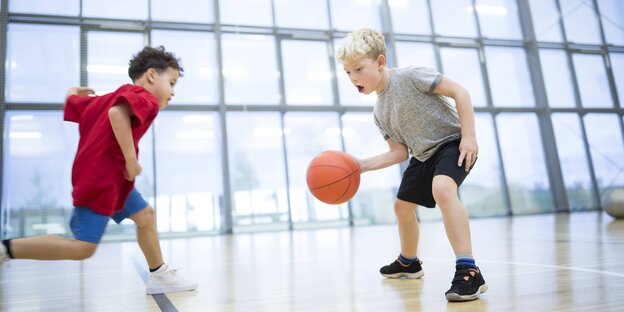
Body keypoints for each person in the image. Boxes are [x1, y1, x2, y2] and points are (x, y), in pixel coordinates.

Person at [0, 46, 198, 295]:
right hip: (103, 180)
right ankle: (6, 249)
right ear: (151, 75)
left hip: (113, 181)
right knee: (83, 247)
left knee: (145, 216)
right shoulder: (145, 99)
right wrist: (130, 160)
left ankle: (159, 274)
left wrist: (72, 92)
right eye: (171, 82)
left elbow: (74, 102)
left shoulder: (107, 98)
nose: (173, 92)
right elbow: (117, 114)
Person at [336, 28, 487, 301]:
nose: (353, 78)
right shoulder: (379, 112)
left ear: (380, 62)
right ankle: (409, 262)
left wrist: (469, 136)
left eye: (358, 69)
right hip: (422, 154)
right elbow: (398, 153)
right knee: (402, 207)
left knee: (442, 188)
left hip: (452, 142)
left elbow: (460, 92)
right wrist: (360, 165)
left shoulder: (411, 76)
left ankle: (469, 271)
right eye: (347, 73)